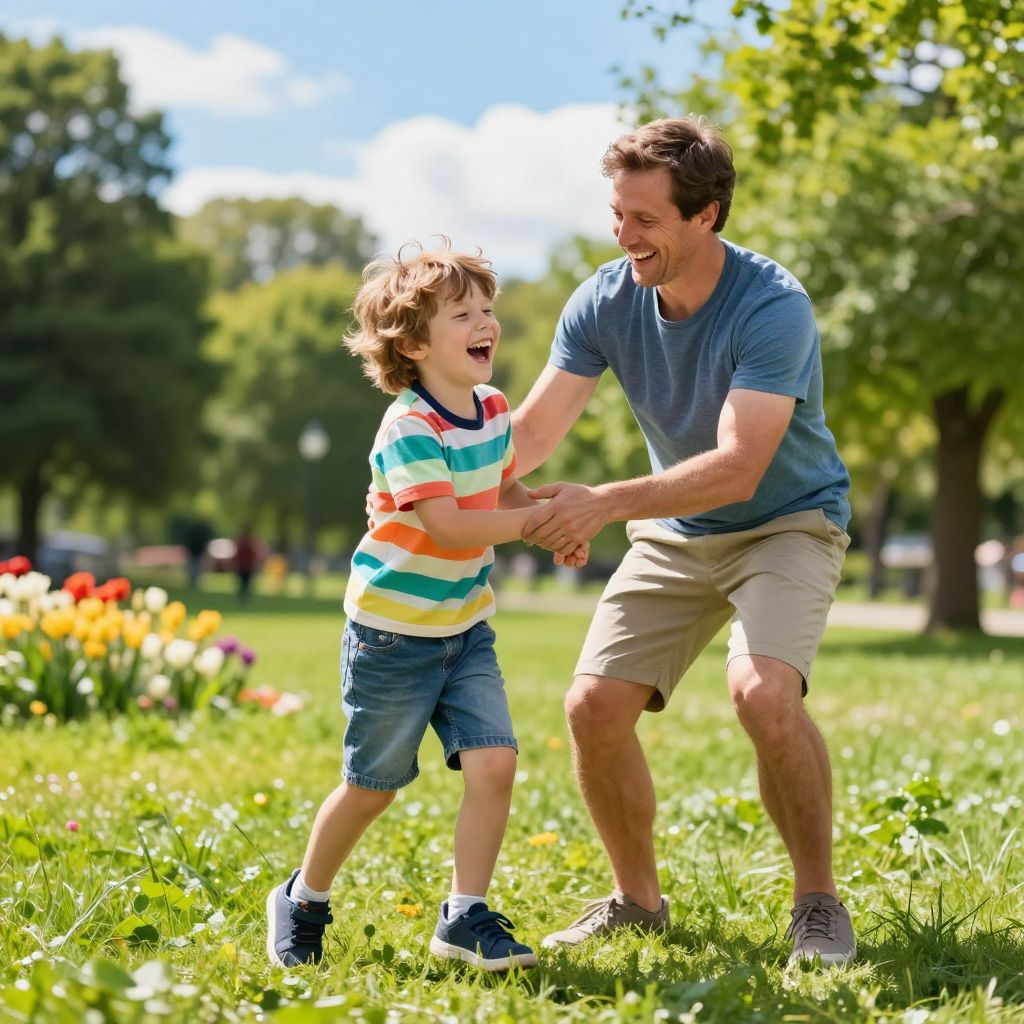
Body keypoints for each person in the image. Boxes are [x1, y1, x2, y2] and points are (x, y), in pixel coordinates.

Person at [513, 117, 856, 966]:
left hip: (787, 519)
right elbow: (530, 435)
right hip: (677, 529)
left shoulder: (772, 306)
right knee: (592, 709)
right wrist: (425, 477)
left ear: (706, 216)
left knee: (763, 693)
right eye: (618, 213)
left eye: (646, 220)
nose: (624, 236)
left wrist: (600, 505)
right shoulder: (603, 298)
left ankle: (817, 902)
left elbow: (741, 467)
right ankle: (637, 901)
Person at [266, 241, 586, 971]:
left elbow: (502, 497)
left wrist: (550, 522)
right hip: (392, 637)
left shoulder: (494, 410)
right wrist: (528, 524)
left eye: (488, 310)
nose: (486, 323)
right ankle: (303, 899)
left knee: (496, 763)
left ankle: (464, 915)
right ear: (413, 344)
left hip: (464, 629)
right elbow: (447, 524)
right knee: (372, 787)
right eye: (463, 314)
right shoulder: (410, 426)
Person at [234, 524, 260, 601]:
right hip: (244, 565)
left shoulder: (247, 542)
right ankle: (244, 596)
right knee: (244, 582)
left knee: (245, 582)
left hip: (247, 566)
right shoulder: (246, 542)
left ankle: (244, 596)